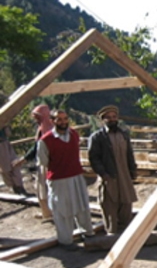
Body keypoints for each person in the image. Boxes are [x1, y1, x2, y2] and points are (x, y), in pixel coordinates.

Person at [37, 109, 94, 251]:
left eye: (65, 118)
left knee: (82, 206)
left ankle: (87, 232)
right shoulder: (46, 140)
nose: (63, 122)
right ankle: (66, 240)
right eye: (59, 119)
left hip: (76, 175)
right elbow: (43, 161)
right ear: (52, 121)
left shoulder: (74, 134)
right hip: (59, 179)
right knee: (62, 210)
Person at [88, 105, 138, 235]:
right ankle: (111, 234)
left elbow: (129, 154)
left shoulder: (124, 135)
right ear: (102, 120)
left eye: (114, 117)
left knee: (126, 204)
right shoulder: (97, 137)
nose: (112, 120)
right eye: (108, 118)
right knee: (109, 206)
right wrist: (103, 174)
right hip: (108, 177)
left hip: (125, 176)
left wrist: (133, 170)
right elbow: (94, 158)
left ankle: (127, 235)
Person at [12, 104, 53, 220]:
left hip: (47, 164)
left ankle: (50, 214)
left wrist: (23, 159)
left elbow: (37, 148)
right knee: (44, 189)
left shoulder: (46, 131)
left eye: (37, 117)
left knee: (44, 189)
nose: (35, 119)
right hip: (46, 163)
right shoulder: (43, 128)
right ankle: (47, 213)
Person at [0, 91, 29, 196]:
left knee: (14, 163)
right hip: (1, 143)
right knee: (6, 168)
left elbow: (8, 132)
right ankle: (15, 187)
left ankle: (19, 187)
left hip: (5, 142)